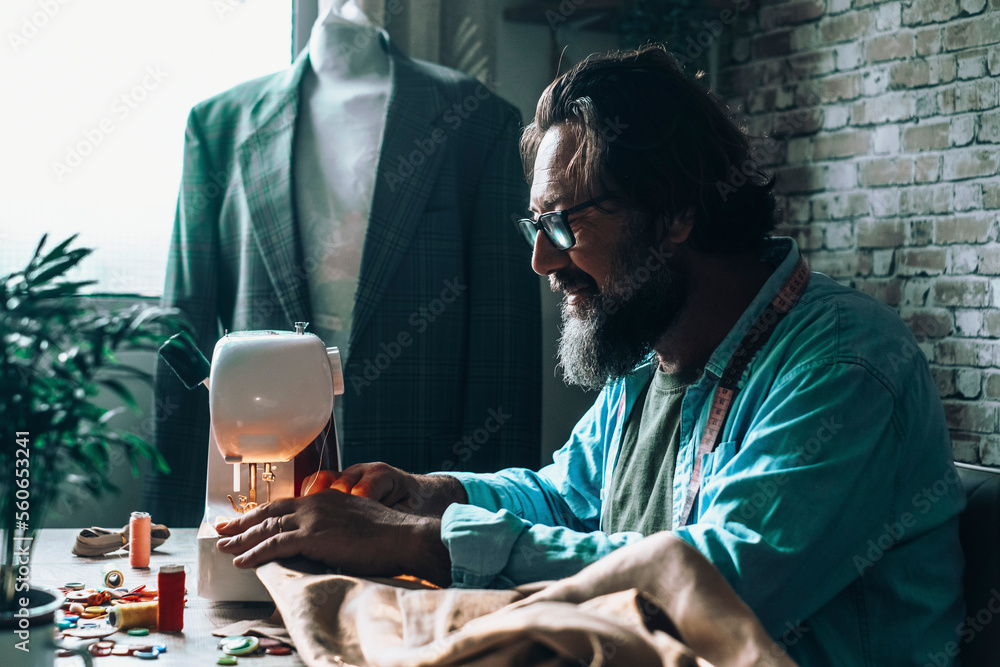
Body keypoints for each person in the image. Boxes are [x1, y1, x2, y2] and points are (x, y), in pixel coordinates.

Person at [216, 45, 966, 665]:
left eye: (565, 225)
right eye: (534, 226)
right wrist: (435, 493)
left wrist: (427, 542)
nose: (542, 261)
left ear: (673, 212)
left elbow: (716, 585)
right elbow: (569, 496)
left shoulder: (843, 367)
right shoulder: (651, 356)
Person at [146, 0, 542, 526]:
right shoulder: (218, 126)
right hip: (260, 486)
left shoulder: (476, 121)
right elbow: (186, 331)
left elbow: (503, 341)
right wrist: (167, 527)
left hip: (420, 482)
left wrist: (492, 534)